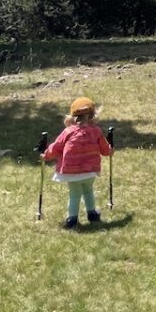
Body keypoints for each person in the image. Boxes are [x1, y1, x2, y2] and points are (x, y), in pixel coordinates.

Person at [42, 97, 112, 228]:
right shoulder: (96, 131)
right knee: (88, 191)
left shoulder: (68, 132)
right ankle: (92, 214)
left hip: (71, 171)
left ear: (73, 116)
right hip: (90, 170)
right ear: (92, 115)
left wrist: (45, 155)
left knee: (74, 195)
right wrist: (110, 151)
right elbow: (105, 149)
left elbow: (56, 148)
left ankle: (72, 219)